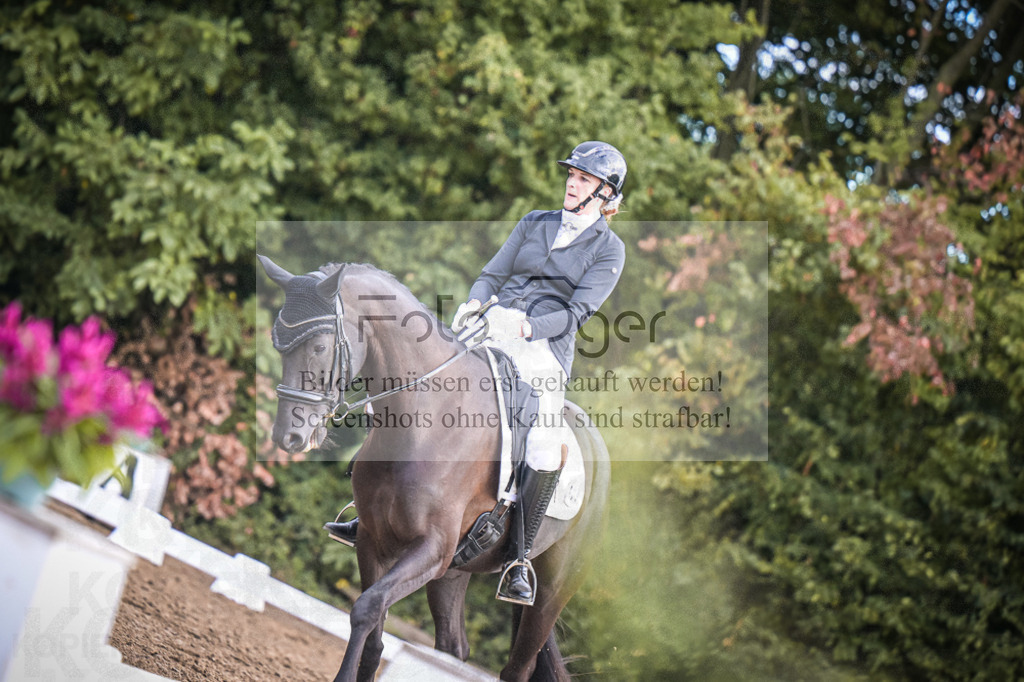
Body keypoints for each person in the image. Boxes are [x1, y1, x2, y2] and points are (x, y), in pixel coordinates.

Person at [326, 141, 627, 605]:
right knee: (413, 384)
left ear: (604, 194)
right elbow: (493, 273)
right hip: (489, 326)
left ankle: (519, 559)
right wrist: (474, 302)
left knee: (546, 440)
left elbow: (578, 313)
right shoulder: (534, 222)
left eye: (583, 179)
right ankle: (364, 510)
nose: (572, 182)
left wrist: (526, 326)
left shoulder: (609, 250)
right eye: (571, 174)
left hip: (541, 351)